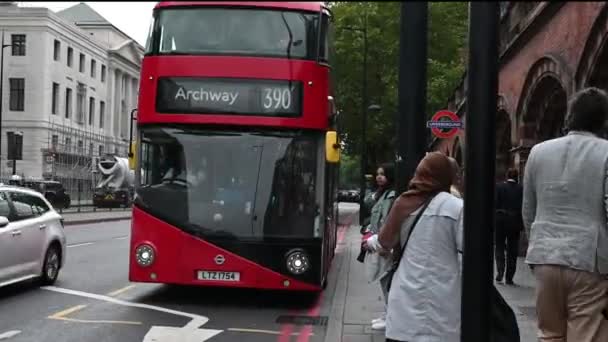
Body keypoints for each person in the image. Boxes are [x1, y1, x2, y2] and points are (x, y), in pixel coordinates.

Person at [522, 87, 608, 341]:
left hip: (545, 254)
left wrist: (536, 243)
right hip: (589, 259)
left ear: (571, 115)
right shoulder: (605, 152)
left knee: (549, 334)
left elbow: (529, 210)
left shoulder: (538, 152)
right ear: (603, 119)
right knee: (587, 334)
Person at [365, 152, 463, 342]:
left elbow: (385, 242)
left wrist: (371, 242)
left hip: (405, 300)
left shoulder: (403, 203)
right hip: (444, 302)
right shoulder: (457, 207)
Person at [359, 163, 397, 331]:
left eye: (383, 174)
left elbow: (387, 221)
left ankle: (391, 318)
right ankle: (387, 315)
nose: (379, 177)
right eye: (377, 174)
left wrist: (383, 244)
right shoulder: (382, 194)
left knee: (387, 281)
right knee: (384, 281)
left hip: (384, 244)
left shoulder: (391, 195)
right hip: (378, 240)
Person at [494, 168, 523, 285]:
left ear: (507, 176)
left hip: (501, 221)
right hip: (515, 222)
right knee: (513, 250)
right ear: (517, 176)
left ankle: (500, 271)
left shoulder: (499, 187)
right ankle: (509, 277)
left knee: (499, 247)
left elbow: (495, 203)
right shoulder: (521, 188)